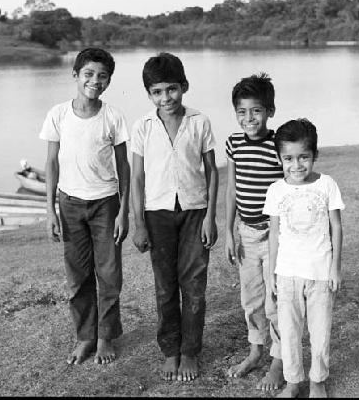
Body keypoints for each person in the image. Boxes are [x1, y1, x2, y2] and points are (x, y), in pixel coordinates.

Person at [39, 47, 130, 366]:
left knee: (109, 274)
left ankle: (105, 336)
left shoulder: (113, 116)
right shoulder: (58, 114)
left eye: (102, 76)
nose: (95, 81)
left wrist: (124, 210)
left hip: (105, 203)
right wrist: (51, 209)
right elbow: (51, 162)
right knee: (77, 276)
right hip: (70, 203)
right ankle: (85, 337)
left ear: (108, 81)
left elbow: (124, 166)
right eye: (89, 74)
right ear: (75, 75)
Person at [130, 52, 219, 382]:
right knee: (165, 287)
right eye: (157, 92)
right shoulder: (143, 126)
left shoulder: (199, 121)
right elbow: (137, 178)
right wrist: (138, 223)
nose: (165, 98)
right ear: (149, 94)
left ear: (184, 86)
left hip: (195, 212)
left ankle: (190, 351)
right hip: (157, 215)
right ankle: (170, 349)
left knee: (194, 285)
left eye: (171, 89)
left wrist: (211, 217)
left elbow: (212, 171)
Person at [264, 118, 344, 398]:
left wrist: (335, 268)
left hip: (320, 273)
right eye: (288, 158)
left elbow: (336, 226)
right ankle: (293, 382)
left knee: (320, 332)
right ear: (279, 158)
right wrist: (272, 274)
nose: (296, 165)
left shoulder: (327, 185)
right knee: (289, 332)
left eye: (303, 157)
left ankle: (317, 381)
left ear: (314, 156)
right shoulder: (276, 190)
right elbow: (274, 234)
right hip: (287, 274)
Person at [224, 73, 285, 391]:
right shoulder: (234, 144)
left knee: (276, 301)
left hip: (276, 237)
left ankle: (278, 361)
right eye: (242, 112)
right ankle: (255, 350)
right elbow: (232, 187)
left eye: (257, 110)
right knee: (251, 300)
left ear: (270, 110)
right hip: (246, 234)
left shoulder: (279, 146)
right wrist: (229, 231)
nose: (249, 118)